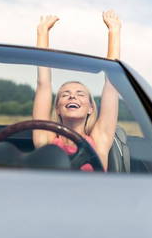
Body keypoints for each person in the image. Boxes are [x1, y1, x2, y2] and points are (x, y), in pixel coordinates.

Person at [32, 10, 121, 171]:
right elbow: (43, 84)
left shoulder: (99, 140)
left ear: (90, 108)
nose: (72, 96)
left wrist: (114, 32)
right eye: (65, 95)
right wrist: (42, 33)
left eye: (80, 94)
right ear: (57, 108)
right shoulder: (46, 140)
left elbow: (112, 84)